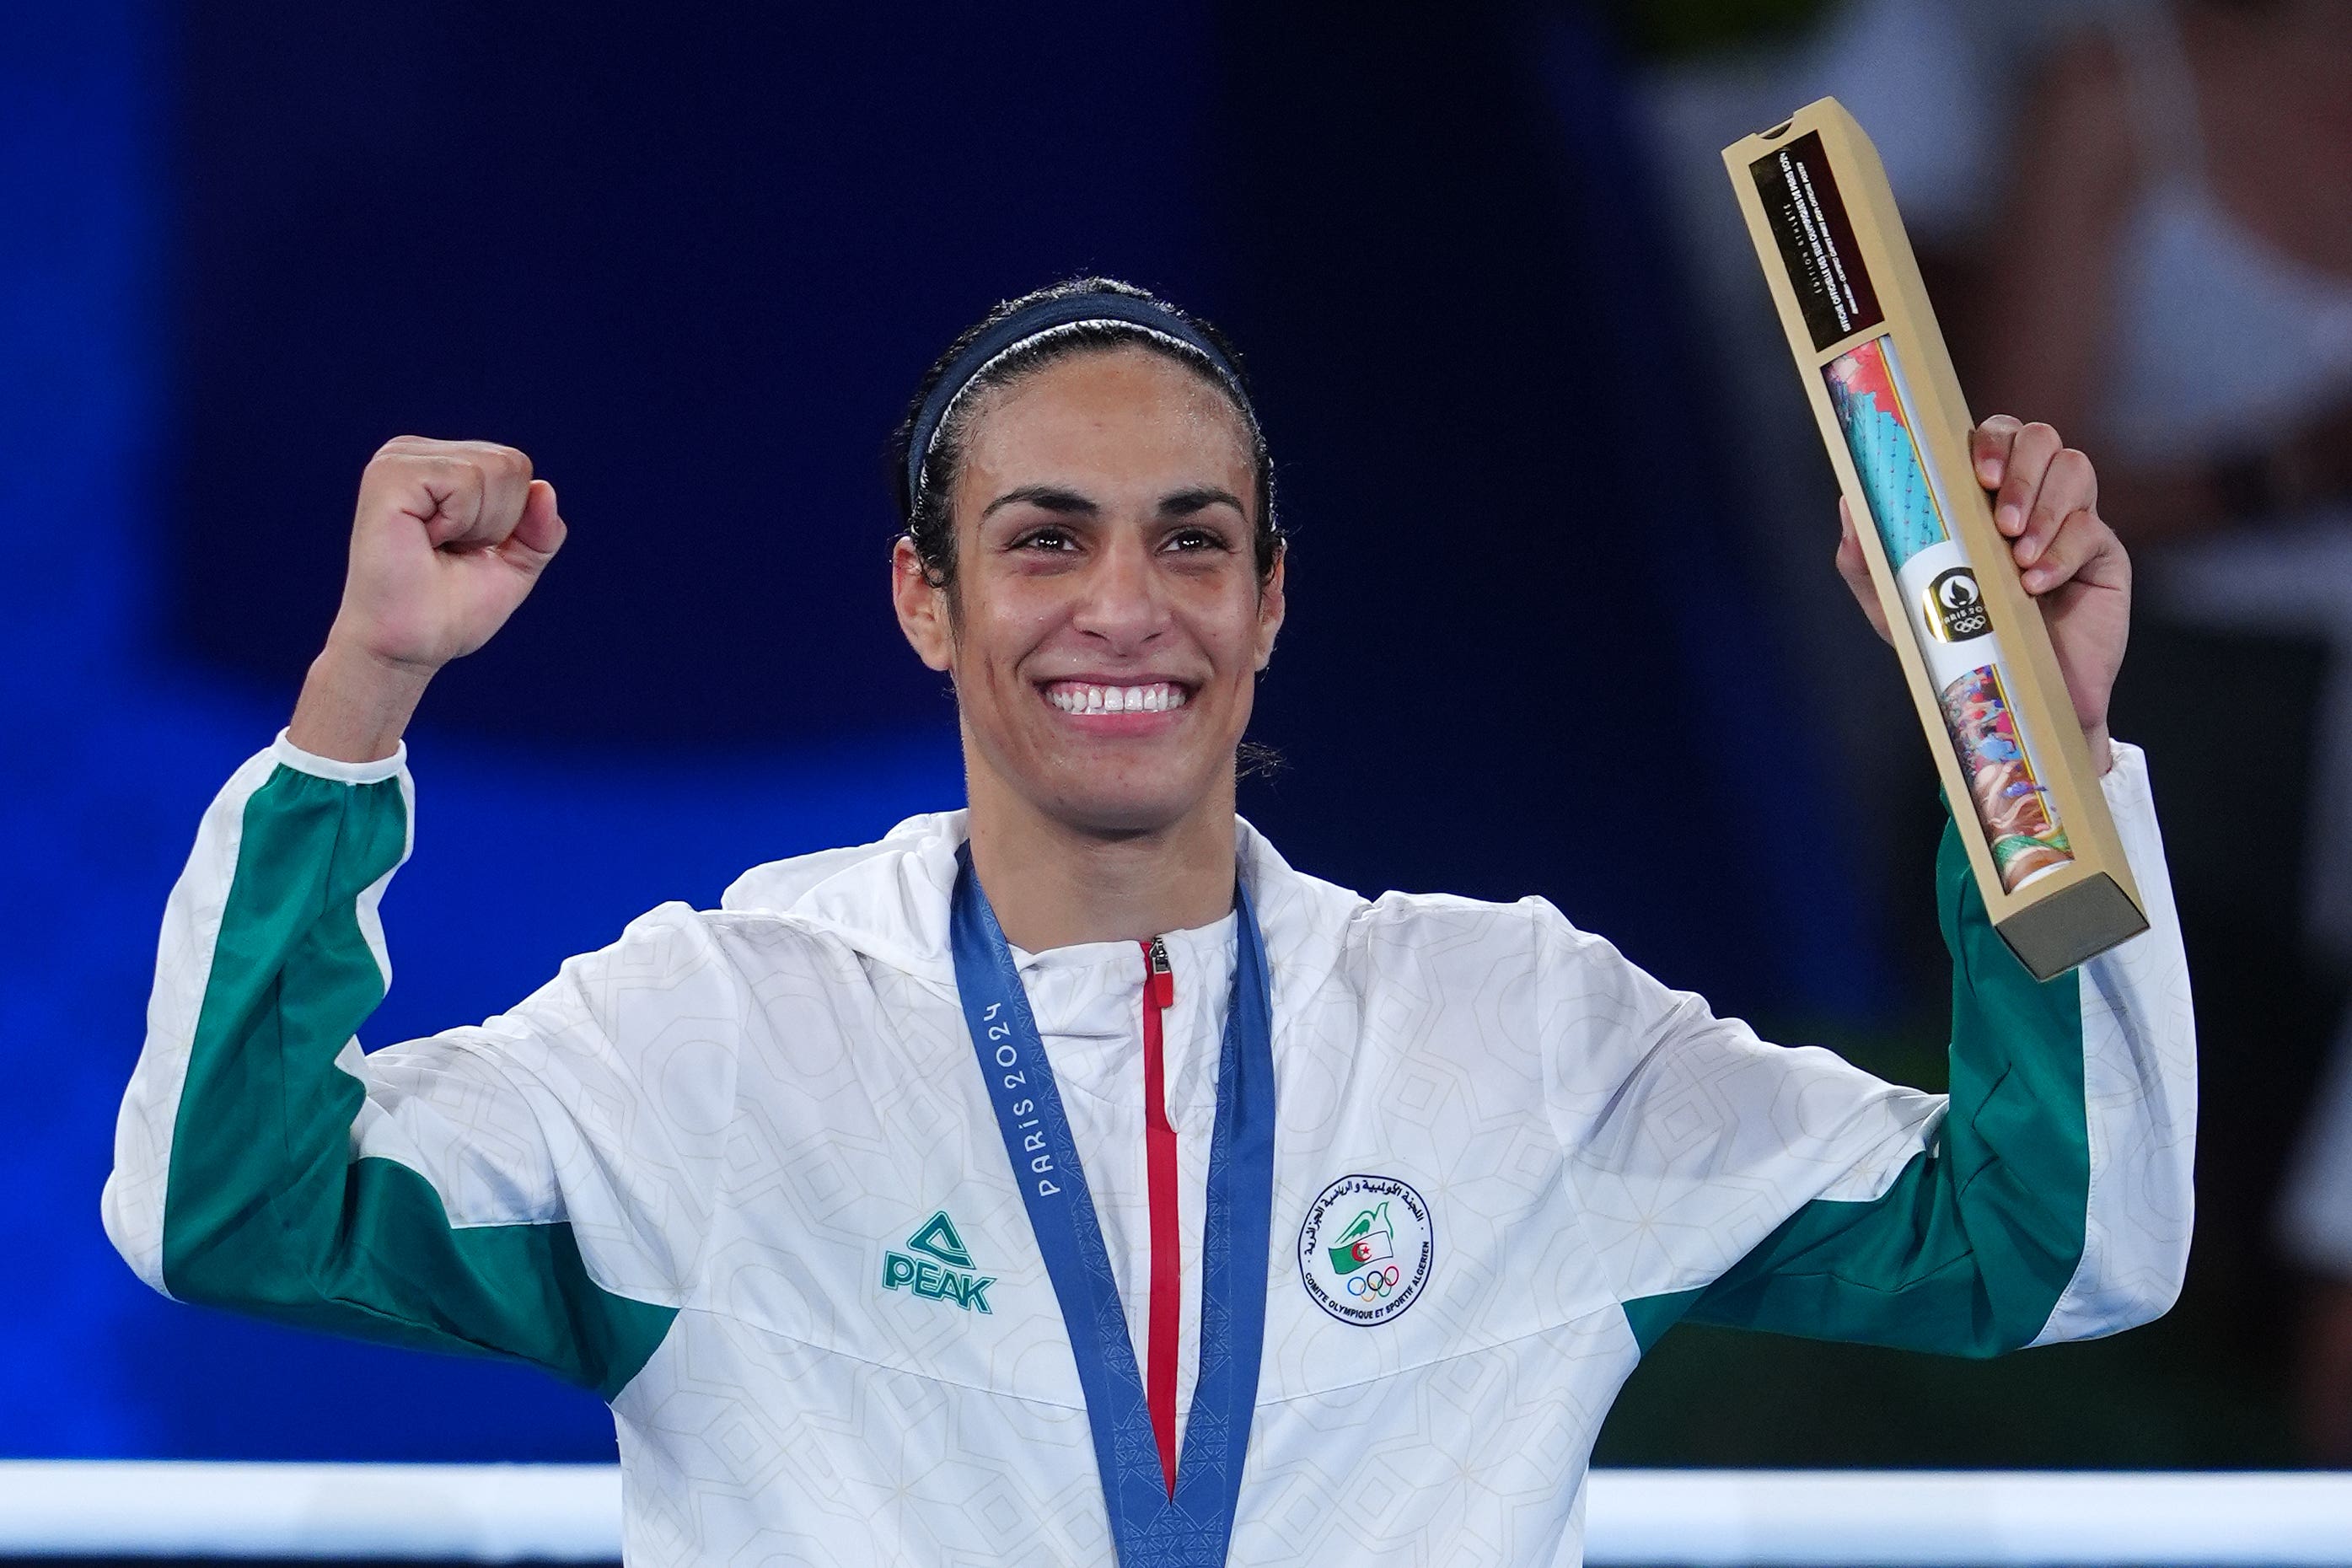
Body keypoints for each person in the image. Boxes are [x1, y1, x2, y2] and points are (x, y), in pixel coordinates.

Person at [104, 278, 2194, 1565]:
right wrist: (359, 700)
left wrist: (2034, 740)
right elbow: (227, 1210)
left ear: (1272, 605)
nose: (1125, 606)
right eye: (1044, 542)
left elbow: (2054, 1244)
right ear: (926, 601)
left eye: (1194, 544)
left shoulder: (1517, 1031)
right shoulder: (710, 1037)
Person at [1972, 0, 2352, 1462]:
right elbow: (1996, 496)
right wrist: (2284, 472)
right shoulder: (2116, 93)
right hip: (2157, 689)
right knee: (2144, 1126)